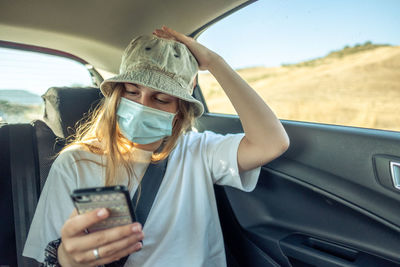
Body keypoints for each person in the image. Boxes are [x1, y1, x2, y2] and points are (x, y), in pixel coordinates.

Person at [23, 26, 289, 266]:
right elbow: (51, 254)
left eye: (161, 99)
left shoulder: (198, 150)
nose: (142, 106)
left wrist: (216, 63)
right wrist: (68, 259)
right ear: (115, 95)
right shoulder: (76, 162)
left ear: (180, 110)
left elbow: (272, 142)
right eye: (131, 91)